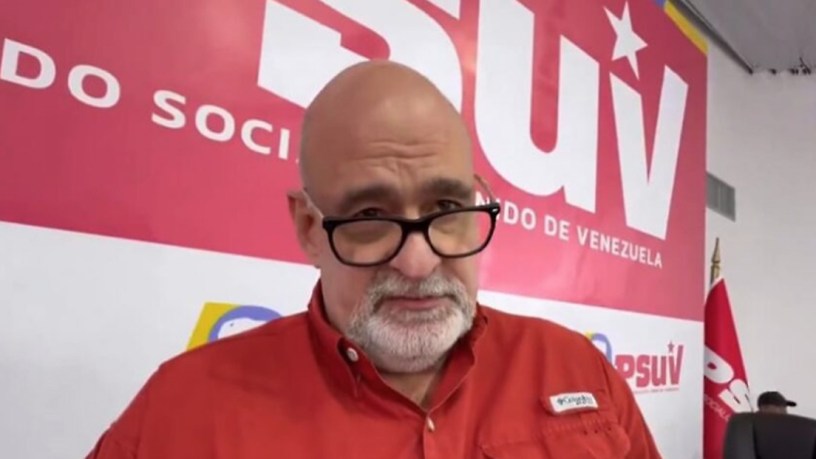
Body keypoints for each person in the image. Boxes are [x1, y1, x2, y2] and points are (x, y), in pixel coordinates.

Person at [86, 60, 660, 458]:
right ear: (310, 229)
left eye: (446, 208)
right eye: (368, 216)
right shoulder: (180, 415)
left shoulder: (578, 370)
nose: (418, 262)